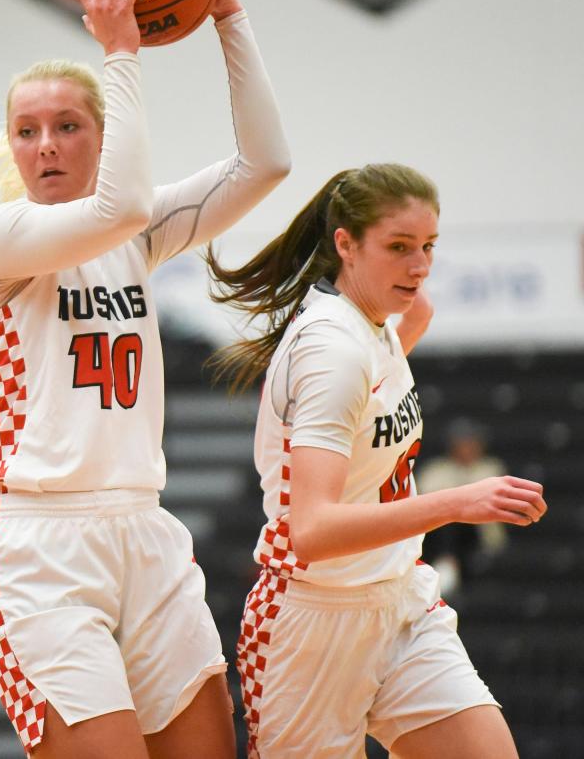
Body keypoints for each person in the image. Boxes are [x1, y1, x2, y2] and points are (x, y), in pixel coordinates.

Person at [0, 0, 291, 759]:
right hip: (39, 547)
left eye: (68, 125)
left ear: (103, 135)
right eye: (28, 131)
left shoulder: (130, 238)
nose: (47, 145)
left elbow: (266, 162)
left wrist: (227, 12)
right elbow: (124, 203)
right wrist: (120, 54)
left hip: (145, 529)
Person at [205, 164, 547, 758]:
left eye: (428, 247)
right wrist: (458, 502)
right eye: (398, 248)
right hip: (310, 623)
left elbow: (408, 328)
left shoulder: (374, 321)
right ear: (345, 244)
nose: (419, 267)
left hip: (399, 601)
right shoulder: (333, 349)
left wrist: (398, 270)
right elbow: (311, 531)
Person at [418, 418, 509, 594]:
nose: (467, 447)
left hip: (480, 538)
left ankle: (449, 566)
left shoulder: (491, 469)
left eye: (471, 442)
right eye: (462, 442)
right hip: (442, 537)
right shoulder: (436, 470)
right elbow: (424, 504)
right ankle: (447, 562)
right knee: (450, 517)